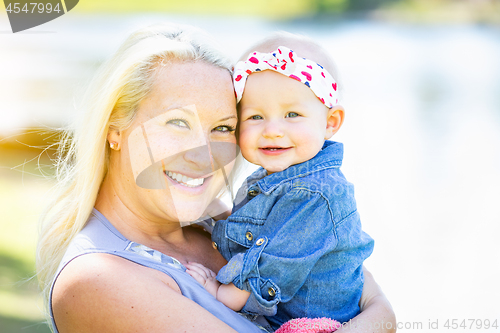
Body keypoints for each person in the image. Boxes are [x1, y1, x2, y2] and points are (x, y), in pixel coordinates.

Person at [36, 23, 396, 333]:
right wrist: (380, 316)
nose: (203, 154)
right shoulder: (98, 278)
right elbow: (376, 308)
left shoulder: (217, 218)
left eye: (223, 128)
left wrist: (382, 313)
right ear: (115, 128)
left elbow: (352, 278)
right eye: (178, 122)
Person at [185, 33, 375, 331]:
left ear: (330, 122)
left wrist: (221, 293)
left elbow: (276, 262)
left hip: (316, 323)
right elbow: (261, 231)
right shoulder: (278, 177)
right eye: (256, 116)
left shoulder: (315, 192)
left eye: (292, 114)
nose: (272, 130)